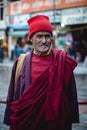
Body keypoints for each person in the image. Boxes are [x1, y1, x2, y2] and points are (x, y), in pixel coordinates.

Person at [4, 15, 79, 130]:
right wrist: (9, 117)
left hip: (55, 122)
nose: (44, 41)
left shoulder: (62, 61)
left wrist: (71, 117)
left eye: (47, 36)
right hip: (26, 120)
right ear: (31, 38)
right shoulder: (21, 62)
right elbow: (12, 93)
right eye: (39, 36)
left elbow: (71, 93)